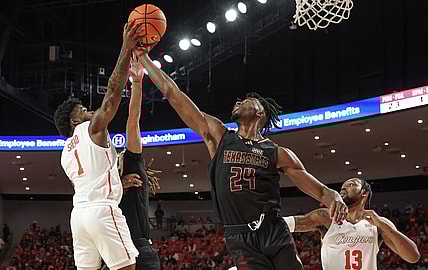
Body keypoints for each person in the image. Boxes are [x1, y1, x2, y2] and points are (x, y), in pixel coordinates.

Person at [134, 49, 348, 269]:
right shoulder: (219, 137)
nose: (238, 101)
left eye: (246, 100)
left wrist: (334, 198)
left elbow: (320, 191)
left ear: (260, 113)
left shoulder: (277, 152)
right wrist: (144, 59)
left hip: (273, 230)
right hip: (239, 236)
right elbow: (173, 93)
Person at [54, 21, 143, 270]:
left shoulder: (64, 152)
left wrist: (116, 181)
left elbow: (87, 181)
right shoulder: (90, 128)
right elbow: (113, 93)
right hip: (102, 212)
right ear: (74, 120)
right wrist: (126, 48)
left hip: (79, 216)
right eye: (83, 110)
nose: (90, 111)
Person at [283, 178, 421, 269]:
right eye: (342, 186)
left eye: (351, 184)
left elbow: (413, 256)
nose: (343, 188)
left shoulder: (378, 224)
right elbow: (290, 223)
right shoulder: (326, 216)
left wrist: (383, 225)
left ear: (364, 193)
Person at [117, 55, 161, 270]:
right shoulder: (106, 186)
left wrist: (136, 83)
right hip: (114, 249)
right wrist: (116, 186)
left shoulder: (131, 164)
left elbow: (133, 120)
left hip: (138, 249)